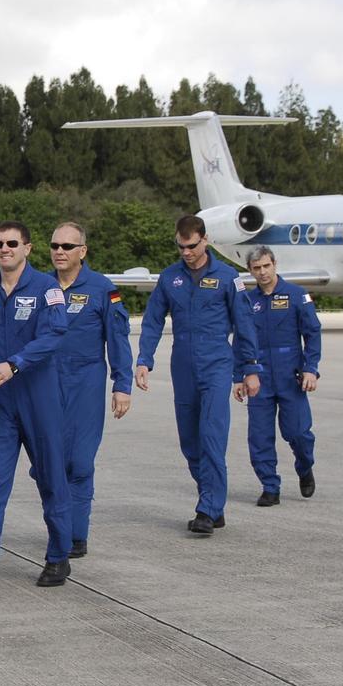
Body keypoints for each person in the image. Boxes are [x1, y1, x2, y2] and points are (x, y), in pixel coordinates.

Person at [0, 221, 71, 595]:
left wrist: (15, 363)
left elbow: (55, 334)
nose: (4, 249)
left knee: (51, 477)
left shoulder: (47, 288)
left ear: (27, 248)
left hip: (39, 399)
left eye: (11, 243)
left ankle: (57, 555)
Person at [135, 215, 261, 535]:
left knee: (211, 436)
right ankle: (212, 499)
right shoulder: (169, 278)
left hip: (217, 363)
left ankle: (207, 508)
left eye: (191, 246)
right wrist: (144, 361)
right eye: (181, 246)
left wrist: (249, 369)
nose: (186, 252)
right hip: (183, 365)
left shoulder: (227, 277)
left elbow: (244, 324)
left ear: (205, 240)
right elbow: (152, 321)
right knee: (190, 442)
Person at [47, 222, 134, 559]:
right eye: (55, 246)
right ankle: (59, 529)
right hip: (46, 383)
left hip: (86, 380)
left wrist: (121, 385)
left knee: (80, 462)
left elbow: (118, 340)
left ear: (82, 251)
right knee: (50, 463)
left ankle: (76, 534)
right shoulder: (40, 287)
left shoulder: (102, 289)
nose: (59, 252)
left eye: (67, 247)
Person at [234, 246, 321, 505]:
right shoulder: (247, 301)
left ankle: (305, 467)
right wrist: (238, 376)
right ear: (250, 270)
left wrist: (311, 368)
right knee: (259, 436)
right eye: (256, 268)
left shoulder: (296, 295)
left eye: (266, 266)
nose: (262, 272)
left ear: (274, 264)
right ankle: (270, 485)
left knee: (298, 432)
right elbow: (239, 341)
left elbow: (312, 333)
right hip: (257, 376)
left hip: (290, 374)